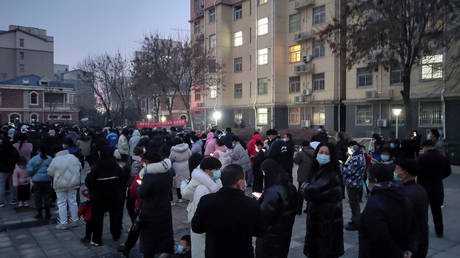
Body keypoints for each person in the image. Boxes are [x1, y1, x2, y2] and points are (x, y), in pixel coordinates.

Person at [192, 164, 264, 258]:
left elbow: (196, 227)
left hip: (215, 253)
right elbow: (260, 231)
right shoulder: (251, 204)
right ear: (239, 182)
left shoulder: (206, 201)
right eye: (244, 179)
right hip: (242, 253)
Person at [359, 163, 416, 258]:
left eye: (368, 178)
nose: (367, 181)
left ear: (375, 180)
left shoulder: (374, 205)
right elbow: (413, 226)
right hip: (403, 249)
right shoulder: (402, 194)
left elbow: (381, 238)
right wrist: (409, 249)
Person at [301, 142, 344, 258]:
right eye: (321, 152)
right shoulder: (318, 171)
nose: (323, 155)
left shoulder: (329, 174)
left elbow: (310, 191)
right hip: (321, 221)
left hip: (325, 224)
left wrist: (304, 186)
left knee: (323, 251)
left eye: (326, 153)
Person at [85, 145, 128, 246]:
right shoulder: (116, 165)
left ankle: (97, 239)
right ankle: (116, 235)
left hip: (99, 197)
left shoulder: (97, 166)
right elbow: (123, 179)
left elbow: (89, 182)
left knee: (97, 219)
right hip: (115, 197)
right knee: (116, 217)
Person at [180, 157, 223, 258]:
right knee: (201, 251)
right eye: (216, 169)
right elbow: (200, 213)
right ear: (207, 171)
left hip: (210, 227)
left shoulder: (214, 180)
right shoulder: (201, 188)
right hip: (202, 229)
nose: (219, 172)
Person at [256, 159, 297, 258]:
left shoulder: (273, 192)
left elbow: (262, 217)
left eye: (264, 173)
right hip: (284, 234)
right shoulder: (290, 186)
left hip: (270, 239)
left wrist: (259, 201)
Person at [137, 150, 175, 257]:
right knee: (165, 232)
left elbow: (141, 193)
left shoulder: (149, 176)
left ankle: (150, 253)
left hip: (151, 210)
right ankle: (166, 252)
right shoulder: (168, 171)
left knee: (149, 236)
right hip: (165, 207)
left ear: (148, 161)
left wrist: (139, 187)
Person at [394, 158, 429, 258]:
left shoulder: (405, 194)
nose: (395, 172)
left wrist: (408, 248)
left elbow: (404, 223)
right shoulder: (420, 189)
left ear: (405, 173)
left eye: (396, 169)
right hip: (421, 241)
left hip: (410, 247)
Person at [417, 140, 451, 237]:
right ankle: (439, 231)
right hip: (437, 187)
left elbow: (417, 170)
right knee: (437, 211)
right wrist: (439, 177)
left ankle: (423, 230)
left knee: (423, 211)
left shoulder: (422, 157)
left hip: (424, 187)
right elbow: (448, 171)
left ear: (425, 147)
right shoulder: (442, 157)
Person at [47, 146, 82, 229]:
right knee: (73, 201)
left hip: (60, 184)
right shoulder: (73, 157)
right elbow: (79, 167)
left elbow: (50, 172)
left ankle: (64, 223)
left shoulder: (55, 160)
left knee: (62, 203)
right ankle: (75, 220)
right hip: (73, 183)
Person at [340, 141, 366, 231]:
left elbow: (349, 171)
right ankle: (355, 220)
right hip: (353, 183)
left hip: (353, 183)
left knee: (354, 204)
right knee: (354, 204)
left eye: (349, 148)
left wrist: (340, 166)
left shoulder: (356, 158)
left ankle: (356, 222)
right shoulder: (357, 156)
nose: (348, 150)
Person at [27, 145, 53, 219]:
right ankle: (48, 213)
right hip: (47, 180)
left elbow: (29, 170)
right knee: (47, 197)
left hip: (37, 181)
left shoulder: (34, 159)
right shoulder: (50, 158)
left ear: (38, 150)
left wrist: (30, 175)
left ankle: (39, 213)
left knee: (37, 197)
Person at [293, 140, 315, 215]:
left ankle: (298, 210)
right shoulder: (315, 152)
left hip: (302, 175)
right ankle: (309, 209)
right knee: (311, 191)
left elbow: (296, 161)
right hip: (312, 175)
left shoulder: (301, 153)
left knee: (301, 192)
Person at [0, 134, 20, 207]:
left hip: (2, 169)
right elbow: (17, 157)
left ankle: (1, 202)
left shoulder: (1, 149)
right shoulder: (13, 149)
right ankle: (13, 200)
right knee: (12, 185)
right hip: (12, 168)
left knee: (1, 185)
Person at [170, 138, 192, 203]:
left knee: (178, 182)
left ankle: (180, 198)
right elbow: (190, 155)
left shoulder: (173, 150)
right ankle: (188, 198)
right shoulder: (187, 148)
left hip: (177, 166)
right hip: (186, 165)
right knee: (187, 180)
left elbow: (171, 158)